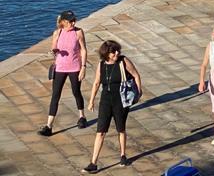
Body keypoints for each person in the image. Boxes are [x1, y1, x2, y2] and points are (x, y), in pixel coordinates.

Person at [83, 40, 142, 171]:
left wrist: (139, 92)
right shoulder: (101, 65)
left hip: (121, 100)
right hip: (105, 100)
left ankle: (123, 155)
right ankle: (93, 162)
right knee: (100, 131)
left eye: (118, 51)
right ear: (106, 54)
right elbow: (97, 83)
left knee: (121, 129)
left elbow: (136, 75)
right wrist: (91, 100)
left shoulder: (123, 61)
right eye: (113, 51)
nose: (117, 53)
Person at [39, 10, 88, 136]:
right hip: (60, 67)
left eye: (74, 20)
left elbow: (83, 50)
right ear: (64, 22)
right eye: (70, 21)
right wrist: (55, 51)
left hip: (75, 67)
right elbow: (53, 48)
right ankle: (49, 126)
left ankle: (82, 117)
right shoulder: (57, 33)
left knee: (76, 92)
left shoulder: (78, 32)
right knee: (55, 95)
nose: (73, 23)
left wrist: (83, 67)